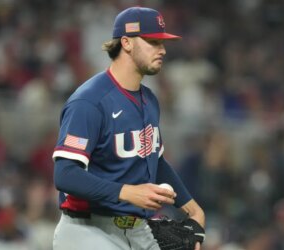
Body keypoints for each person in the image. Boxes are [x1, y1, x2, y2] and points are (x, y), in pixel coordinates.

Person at [52, 6, 205, 250]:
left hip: (137, 229)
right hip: (88, 230)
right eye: (153, 42)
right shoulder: (89, 101)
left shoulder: (150, 99)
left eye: (162, 43)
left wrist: (193, 208)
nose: (162, 50)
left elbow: (157, 161)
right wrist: (126, 192)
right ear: (126, 43)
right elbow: (65, 174)